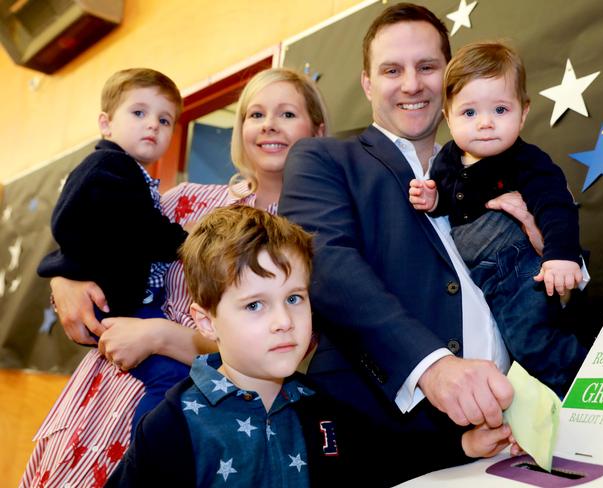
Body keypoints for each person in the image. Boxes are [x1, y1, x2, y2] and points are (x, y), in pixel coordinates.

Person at [279, 3, 562, 484]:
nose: (411, 84)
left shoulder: (514, 166)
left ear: (449, 79)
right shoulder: (323, 159)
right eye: (392, 69)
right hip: (376, 441)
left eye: (427, 67)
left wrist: (543, 256)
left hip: (517, 441)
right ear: (367, 83)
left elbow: (559, 285)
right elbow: (325, 263)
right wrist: (432, 367)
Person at [21, 68, 327, 488]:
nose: (269, 124)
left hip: (201, 423)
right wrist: (64, 281)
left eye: (287, 113)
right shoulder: (186, 200)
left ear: (318, 129)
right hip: (105, 391)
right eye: (255, 114)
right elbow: (99, 240)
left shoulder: (311, 235)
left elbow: (289, 347)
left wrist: (159, 336)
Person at [106, 205, 380, 487]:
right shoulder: (171, 427)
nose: (284, 321)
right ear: (207, 322)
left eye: (294, 298)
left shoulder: (329, 414)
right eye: (255, 305)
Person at [408, 42, 587, 396]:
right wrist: (433, 199)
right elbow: (447, 199)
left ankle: (590, 385)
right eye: (469, 113)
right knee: (515, 360)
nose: (486, 123)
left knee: (534, 343)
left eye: (500, 109)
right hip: (482, 280)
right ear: (448, 117)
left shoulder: (526, 161)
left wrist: (561, 255)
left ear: (523, 114)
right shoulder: (446, 159)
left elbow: (555, 206)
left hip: (521, 270)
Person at [36, 68, 191, 433]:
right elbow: (135, 225)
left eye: (164, 119)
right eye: (139, 113)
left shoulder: (128, 172)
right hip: (120, 305)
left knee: (176, 379)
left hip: (131, 303)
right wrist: (186, 242)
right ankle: (146, 457)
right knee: (170, 381)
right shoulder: (109, 166)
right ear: (106, 124)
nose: (152, 125)